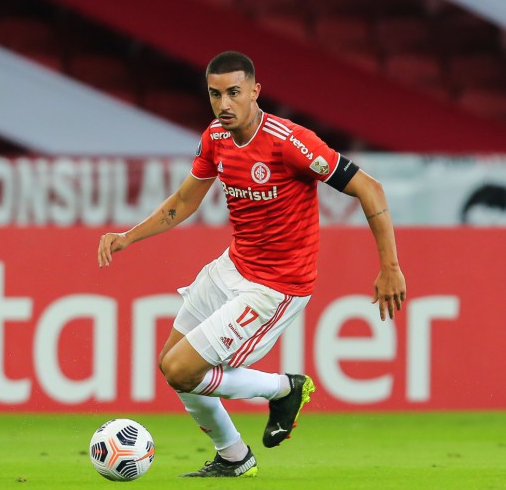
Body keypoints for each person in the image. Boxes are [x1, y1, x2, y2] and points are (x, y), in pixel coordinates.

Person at [97, 51, 406, 478]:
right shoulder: (215, 138)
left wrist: (389, 265)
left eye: (234, 93)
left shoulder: (291, 142)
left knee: (181, 369)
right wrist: (128, 236)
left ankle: (285, 389)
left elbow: (368, 188)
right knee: (172, 363)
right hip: (233, 266)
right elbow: (185, 200)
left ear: (255, 91)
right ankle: (234, 457)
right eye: (215, 94)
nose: (224, 104)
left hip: (276, 286)